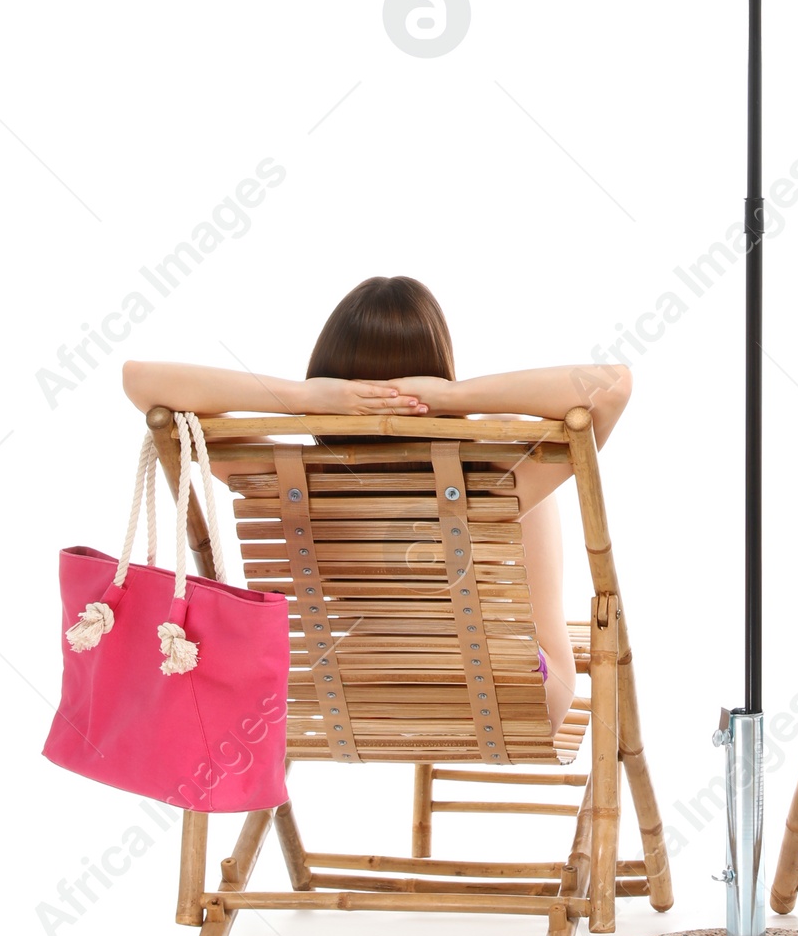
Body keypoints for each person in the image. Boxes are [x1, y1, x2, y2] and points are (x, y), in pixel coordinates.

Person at [122, 275, 630, 733]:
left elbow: (141, 380)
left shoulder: (281, 479)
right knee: (525, 482)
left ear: (328, 370)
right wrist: (451, 400)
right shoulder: (498, 478)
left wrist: (304, 398)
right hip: (510, 700)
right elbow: (612, 386)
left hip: (339, 700)